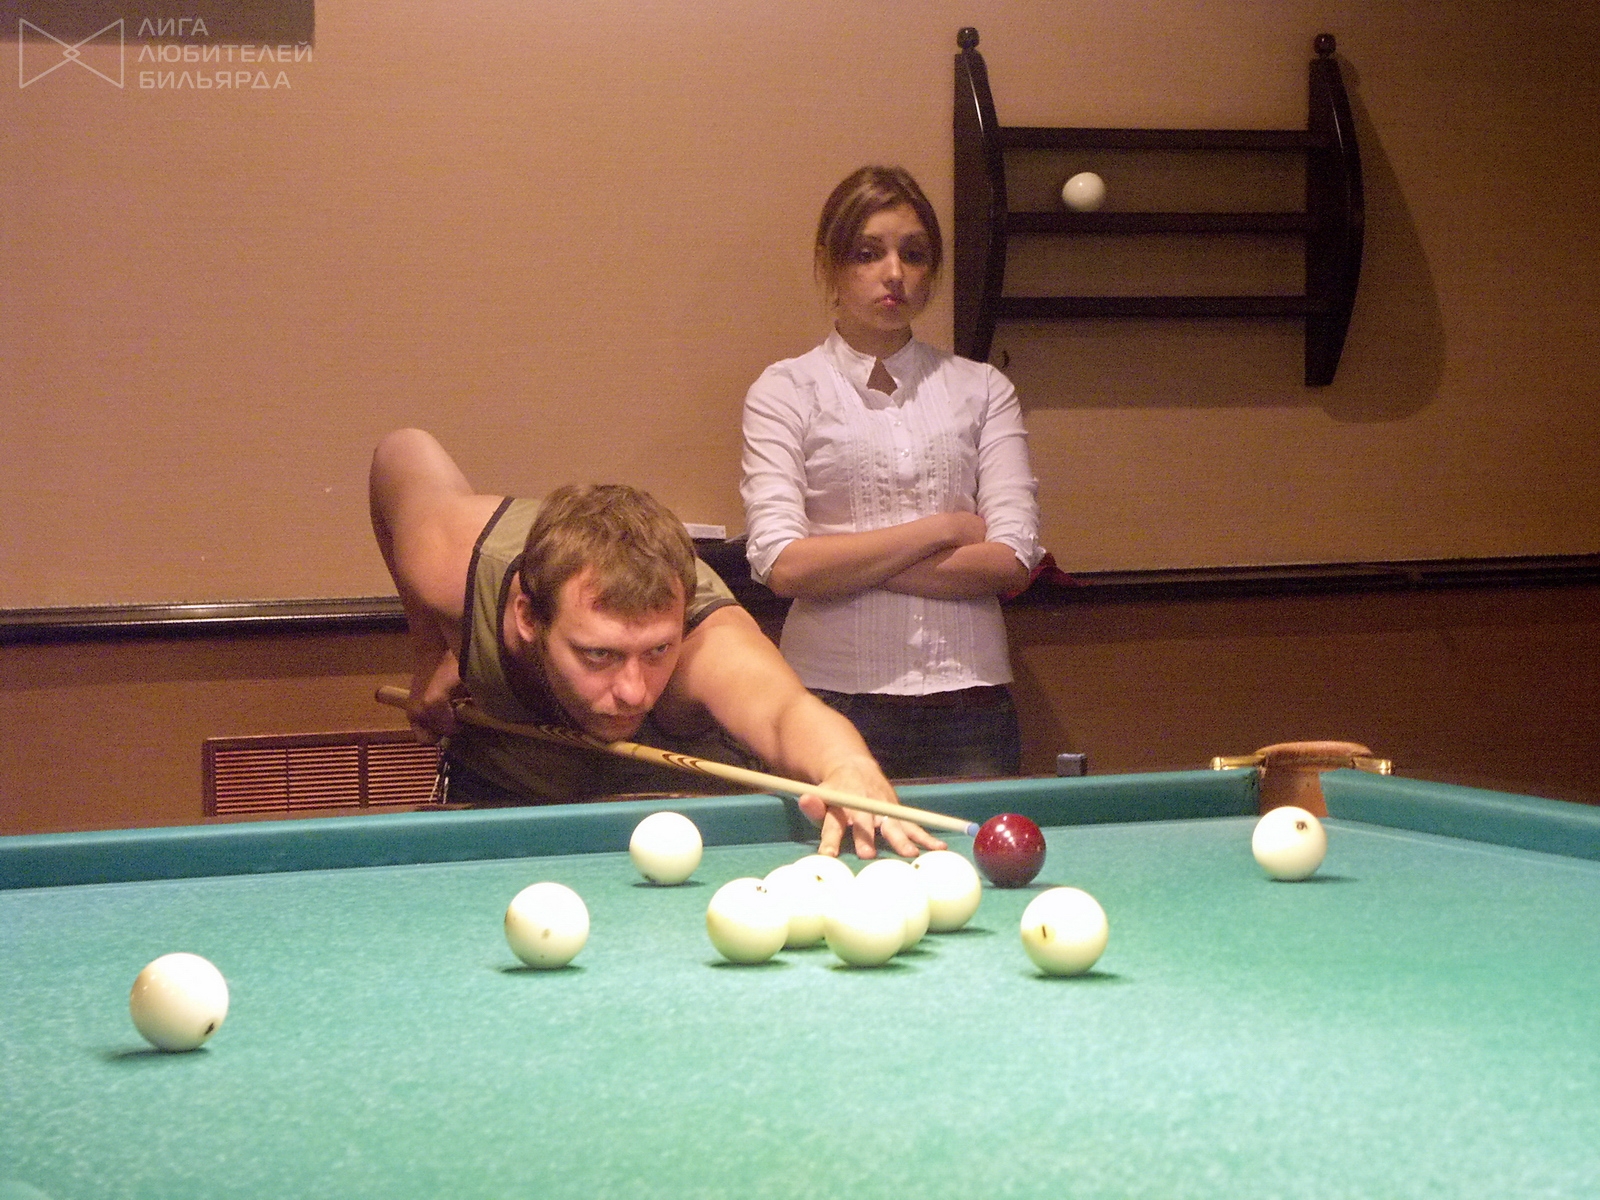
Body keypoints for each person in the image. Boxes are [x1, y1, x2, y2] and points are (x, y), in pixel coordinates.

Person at [369, 427, 941, 858]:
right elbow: (400, 452)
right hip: (506, 789)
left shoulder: (704, 642)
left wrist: (846, 763)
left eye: (656, 652)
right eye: (598, 654)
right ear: (528, 616)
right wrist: (430, 655)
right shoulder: (451, 559)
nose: (634, 691)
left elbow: (783, 711)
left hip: (683, 813)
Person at [740, 166, 1044, 779]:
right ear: (830, 265)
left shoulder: (983, 388)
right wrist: (946, 527)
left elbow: (1013, 558)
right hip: (828, 699)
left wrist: (840, 564)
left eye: (914, 254)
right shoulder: (784, 390)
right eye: (868, 253)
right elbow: (783, 566)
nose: (894, 272)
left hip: (970, 701)